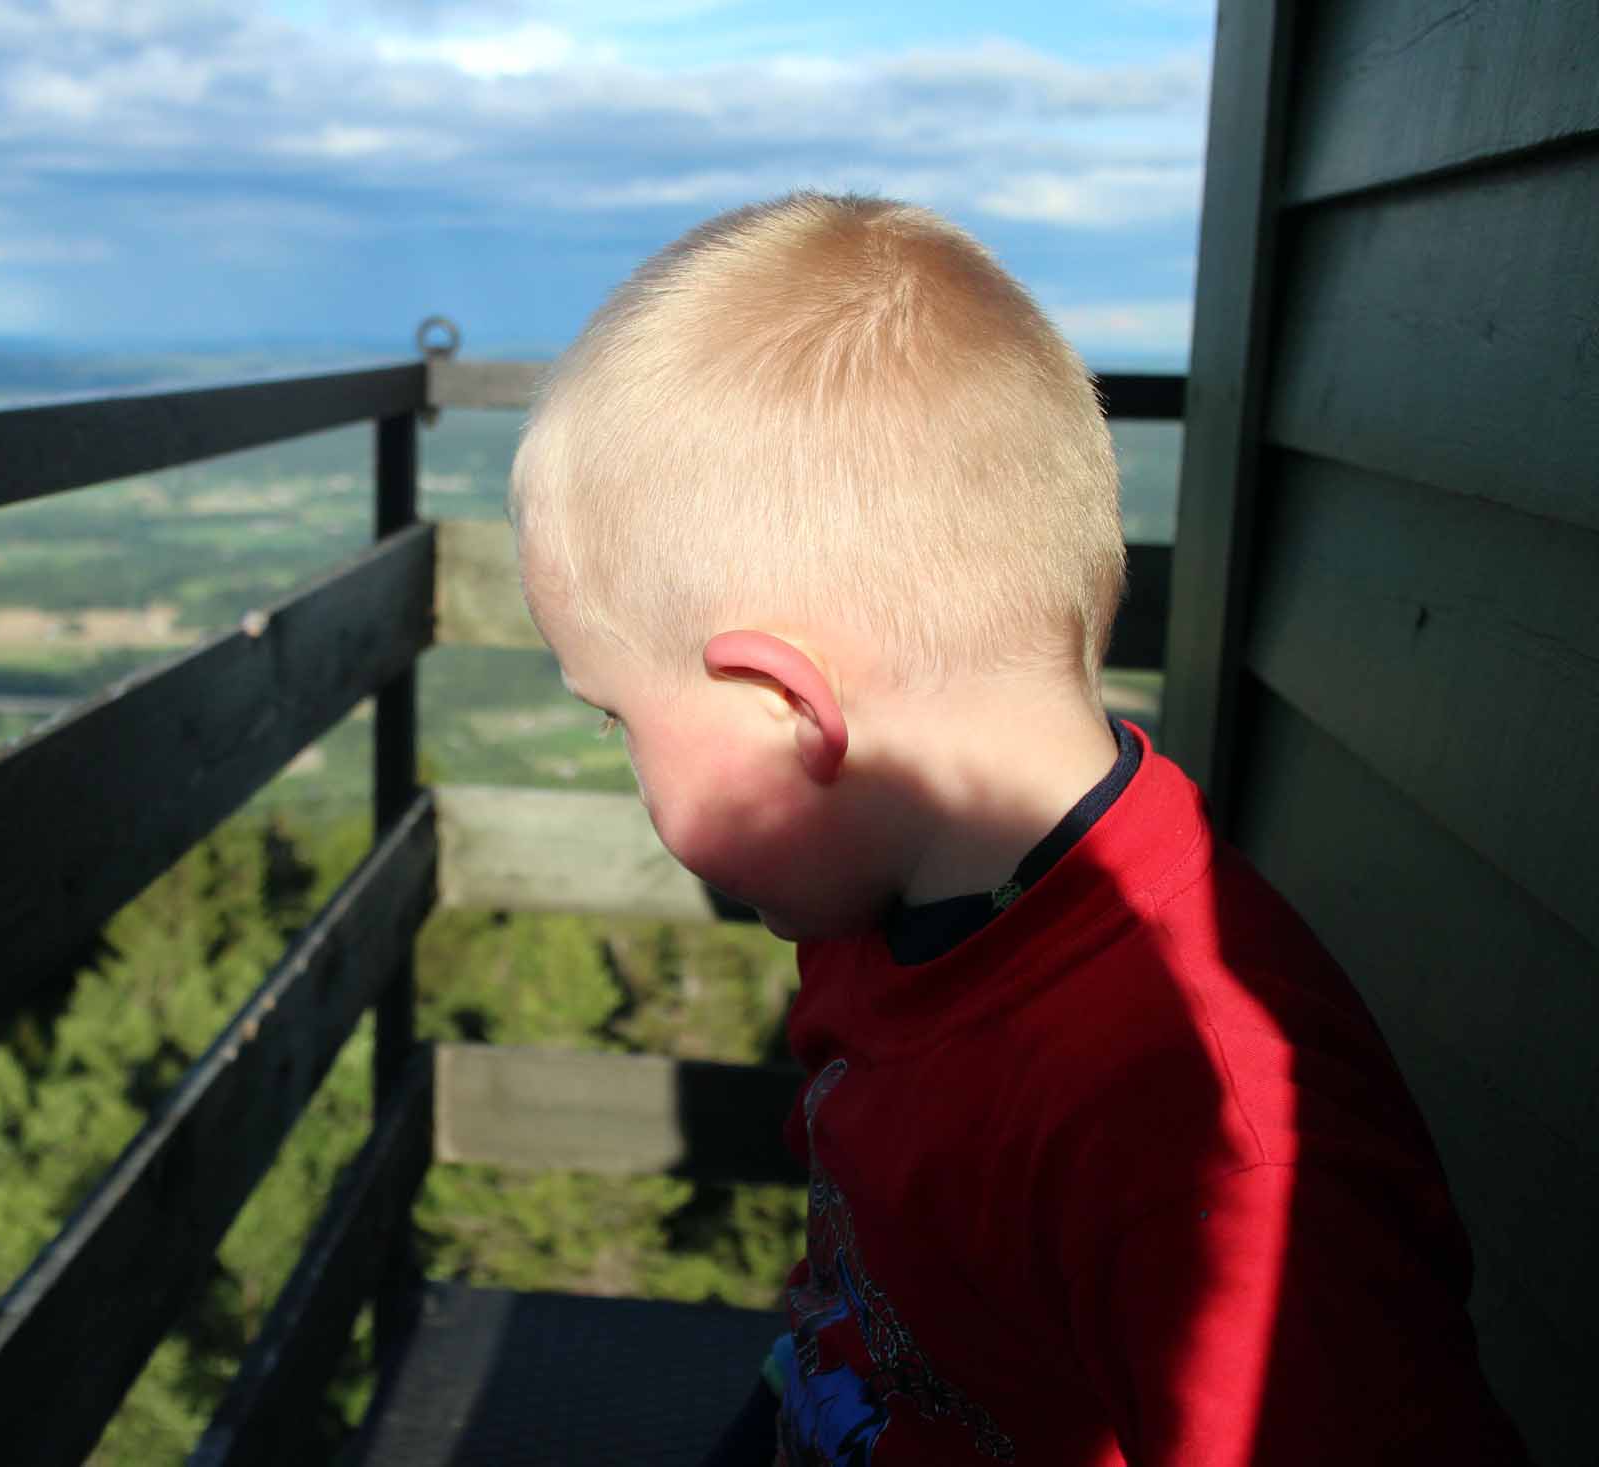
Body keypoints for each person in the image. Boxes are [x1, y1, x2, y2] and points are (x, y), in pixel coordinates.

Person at [506, 193, 1525, 1465]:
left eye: (616, 718)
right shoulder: (878, 908)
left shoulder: (1210, 1156)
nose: (625, 764)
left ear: (786, 710)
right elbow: (857, 1299)